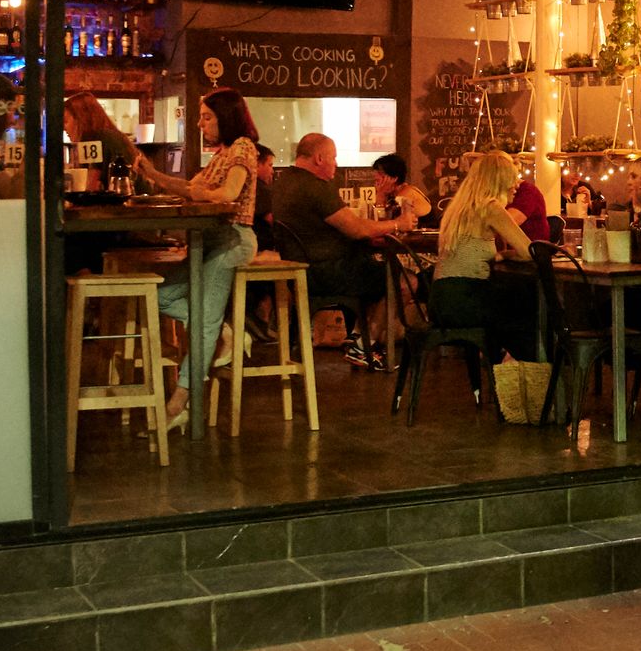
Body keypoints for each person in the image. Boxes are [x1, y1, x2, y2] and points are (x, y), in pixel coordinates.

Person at [131, 86, 261, 433]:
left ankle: (180, 402)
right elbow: (191, 189)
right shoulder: (220, 153)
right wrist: (152, 175)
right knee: (157, 296)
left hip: (233, 239)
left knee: (202, 321)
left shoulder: (244, 147)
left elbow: (229, 194)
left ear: (226, 117)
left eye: (207, 117)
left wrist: (203, 193)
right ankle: (226, 330)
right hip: (210, 241)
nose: (201, 124)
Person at [272, 134, 419, 370]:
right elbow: (358, 229)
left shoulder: (284, 181)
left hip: (304, 268)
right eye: (334, 158)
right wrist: (398, 225)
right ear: (319, 158)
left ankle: (358, 336)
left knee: (375, 270)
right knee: (404, 280)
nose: (336, 164)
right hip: (325, 272)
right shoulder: (316, 187)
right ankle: (365, 344)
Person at [431, 149, 536, 360]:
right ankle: (530, 378)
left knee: (517, 307)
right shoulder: (490, 206)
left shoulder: (460, 207)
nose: (517, 184)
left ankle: (502, 364)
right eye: (513, 178)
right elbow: (530, 251)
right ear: (499, 180)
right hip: (465, 298)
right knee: (531, 311)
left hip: (442, 300)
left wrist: (503, 255)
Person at [63, 92, 140, 176]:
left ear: (81, 120)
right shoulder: (109, 135)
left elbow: (92, 182)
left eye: (65, 121)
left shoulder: (96, 139)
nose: (63, 128)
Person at [371, 152, 432, 227]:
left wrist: (381, 194)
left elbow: (383, 225)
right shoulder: (394, 195)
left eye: (378, 180)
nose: (376, 185)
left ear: (393, 178)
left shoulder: (405, 195)